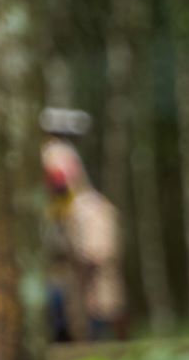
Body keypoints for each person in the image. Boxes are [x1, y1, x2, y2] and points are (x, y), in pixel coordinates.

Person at [42, 141, 127, 342]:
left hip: (95, 306)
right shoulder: (50, 210)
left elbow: (101, 252)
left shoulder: (94, 207)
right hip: (61, 310)